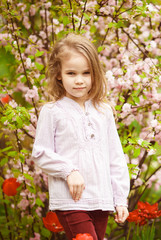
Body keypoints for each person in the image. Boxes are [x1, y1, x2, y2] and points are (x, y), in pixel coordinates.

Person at [31, 33, 130, 240]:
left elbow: (116, 157)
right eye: (71, 73)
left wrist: (120, 198)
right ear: (59, 74)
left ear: (95, 74)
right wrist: (69, 171)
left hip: (102, 199)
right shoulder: (52, 111)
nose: (79, 80)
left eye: (86, 73)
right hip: (71, 200)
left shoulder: (104, 111)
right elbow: (40, 153)